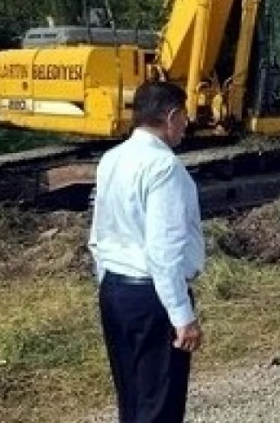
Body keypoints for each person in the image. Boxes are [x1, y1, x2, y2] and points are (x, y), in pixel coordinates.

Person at [88, 81, 205, 423]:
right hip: (153, 298)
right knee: (159, 406)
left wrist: (107, 281)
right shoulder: (164, 168)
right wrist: (182, 316)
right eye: (184, 116)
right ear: (171, 116)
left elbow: (98, 232)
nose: (187, 124)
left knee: (133, 399)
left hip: (116, 291)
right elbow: (163, 250)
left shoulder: (111, 158)